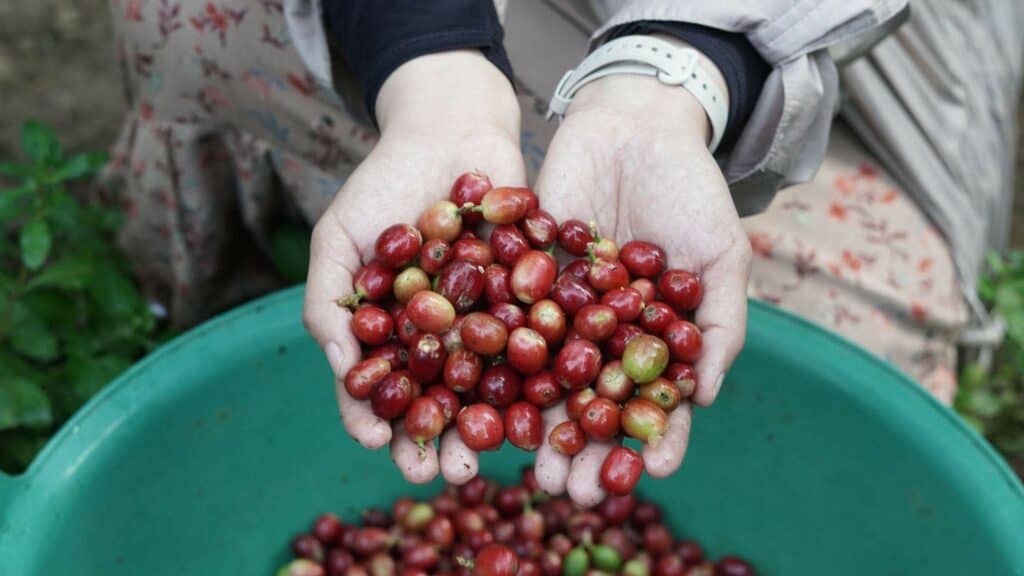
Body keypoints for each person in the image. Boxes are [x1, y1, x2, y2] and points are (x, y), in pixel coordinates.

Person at [102, 0, 1022, 506]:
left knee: (844, 344)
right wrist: (434, 70)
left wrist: (675, 79)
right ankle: (207, 278)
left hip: (811, 35)